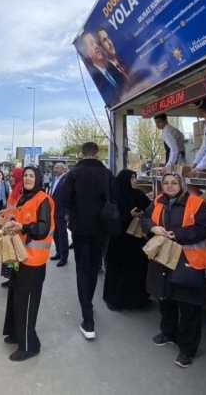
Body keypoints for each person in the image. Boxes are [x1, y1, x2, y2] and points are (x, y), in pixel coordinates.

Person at [141, 172, 206, 368]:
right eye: (166, 183)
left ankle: (187, 350)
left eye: (174, 183)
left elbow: (205, 229)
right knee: (165, 297)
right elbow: (145, 218)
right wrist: (153, 228)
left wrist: (177, 234)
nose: (170, 186)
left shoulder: (196, 203)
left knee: (189, 306)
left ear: (181, 185)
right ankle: (168, 333)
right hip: (163, 258)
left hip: (187, 260)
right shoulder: (158, 201)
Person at [61, 141, 114, 339]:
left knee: (82, 270)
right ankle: (88, 304)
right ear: (97, 153)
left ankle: (88, 319)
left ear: (82, 154)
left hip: (80, 229)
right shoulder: (107, 174)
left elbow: (64, 200)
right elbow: (115, 198)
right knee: (93, 268)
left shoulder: (74, 174)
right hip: (101, 229)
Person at [1, 165, 54, 361]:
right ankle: (16, 334)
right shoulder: (24, 198)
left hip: (33, 262)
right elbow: (20, 220)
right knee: (16, 298)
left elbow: (42, 230)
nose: (28, 179)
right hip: (20, 257)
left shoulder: (43, 200)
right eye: (25, 176)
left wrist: (22, 227)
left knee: (27, 303)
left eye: (32, 176)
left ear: (38, 178)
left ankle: (29, 346)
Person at [103, 169, 152, 311]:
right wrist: (128, 215)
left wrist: (142, 213)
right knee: (118, 270)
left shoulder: (139, 194)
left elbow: (149, 209)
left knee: (136, 270)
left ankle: (137, 300)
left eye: (135, 177)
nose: (135, 181)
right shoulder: (114, 196)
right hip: (119, 240)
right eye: (132, 178)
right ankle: (115, 300)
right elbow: (111, 216)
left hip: (136, 240)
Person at [80, 32, 124, 105]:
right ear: (88, 53)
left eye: (95, 42)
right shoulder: (97, 79)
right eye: (91, 44)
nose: (96, 46)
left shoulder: (113, 68)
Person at [48, 162, 69, 267]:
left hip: (61, 212)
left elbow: (68, 196)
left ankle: (64, 257)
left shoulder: (66, 179)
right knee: (55, 234)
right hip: (53, 211)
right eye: (54, 168)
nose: (55, 170)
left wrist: (67, 212)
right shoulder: (54, 179)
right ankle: (58, 252)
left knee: (62, 235)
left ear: (62, 169)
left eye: (57, 168)